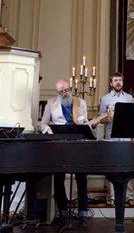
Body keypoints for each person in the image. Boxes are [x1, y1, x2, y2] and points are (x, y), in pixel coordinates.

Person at [39, 79, 96, 226]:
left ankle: (83, 212)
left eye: (66, 90)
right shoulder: (51, 103)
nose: (64, 93)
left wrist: (89, 125)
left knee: (81, 177)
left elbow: (85, 123)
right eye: (61, 92)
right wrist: (49, 131)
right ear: (57, 92)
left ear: (70, 89)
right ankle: (63, 211)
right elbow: (43, 123)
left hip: (78, 145)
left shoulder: (80, 102)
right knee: (59, 178)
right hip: (60, 145)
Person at [99, 72, 134, 207]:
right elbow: (100, 119)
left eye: (120, 80)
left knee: (127, 165)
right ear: (111, 83)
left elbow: (133, 118)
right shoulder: (105, 99)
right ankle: (111, 196)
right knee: (112, 165)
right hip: (111, 135)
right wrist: (108, 118)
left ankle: (129, 195)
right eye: (115, 80)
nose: (118, 83)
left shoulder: (129, 98)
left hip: (126, 136)